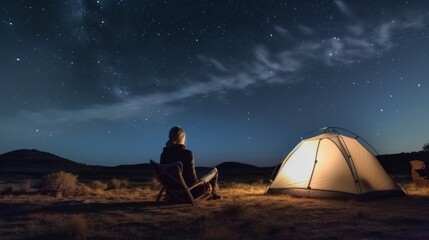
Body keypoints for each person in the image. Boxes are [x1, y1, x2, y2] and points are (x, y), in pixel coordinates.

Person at [160, 126, 222, 200]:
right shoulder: (187, 154)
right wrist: (206, 183)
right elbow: (192, 181)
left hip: (171, 193)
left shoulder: (164, 155)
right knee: (214, 170)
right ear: (182, 138)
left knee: (200, 174)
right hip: (189, 193)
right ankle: (213, 194)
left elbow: (163, 178)